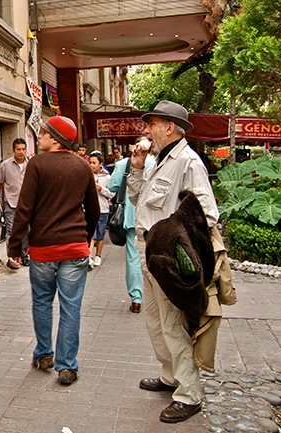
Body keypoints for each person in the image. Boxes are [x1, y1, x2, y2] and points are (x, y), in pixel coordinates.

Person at [127, 101, 219, 423]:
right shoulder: (157, 160)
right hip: (146, 251)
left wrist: (173, 234)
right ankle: (170, 376)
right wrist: (137, 168)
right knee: (155, 323)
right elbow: (138, 200)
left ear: (169, 127)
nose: (147, 129)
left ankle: (189, 393)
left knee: (172, 324)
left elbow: (207, 213)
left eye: (151, 123)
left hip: (166, 253)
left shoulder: (189, 162)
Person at [7, 116, 99, 385]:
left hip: (43, 249)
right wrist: (86, 236)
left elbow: (24, 210)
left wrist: (14, 246)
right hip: (75, 248)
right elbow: (93, 209)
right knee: (71, 308)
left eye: (44, 133)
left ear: (55, 138)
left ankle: (45, 353)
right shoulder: (83, 166)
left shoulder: (37, 165)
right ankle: (67, 366)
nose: (41, 136)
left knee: (42, 301)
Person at [108, 136, 154, 314]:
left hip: (132, 216)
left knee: (134, 258)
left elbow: (112, 187)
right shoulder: (158, 163)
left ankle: (137, 299)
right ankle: (156, 296)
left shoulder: (123, 164)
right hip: (155, 217)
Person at [0, 138, 29, 268]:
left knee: (26, 231)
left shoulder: (31, 164)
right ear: (13, 150)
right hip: (11, 203)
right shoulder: (5, 165)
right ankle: (12, 257)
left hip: (27, 204)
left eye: (23, 149)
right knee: (11, 230)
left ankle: (24, 255)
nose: (21, 152)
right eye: (18, 149)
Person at [88, 153, 114, 268]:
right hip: (90, 209)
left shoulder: (107, 178)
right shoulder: (88, 175)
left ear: (101, 164)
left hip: (103, 209)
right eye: (90, 163)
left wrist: (101, 189)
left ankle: (98, 255)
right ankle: (89, 256)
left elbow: (112, 193)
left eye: (94, 163)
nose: (92, 165)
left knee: (100, 234)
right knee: (91, 234)